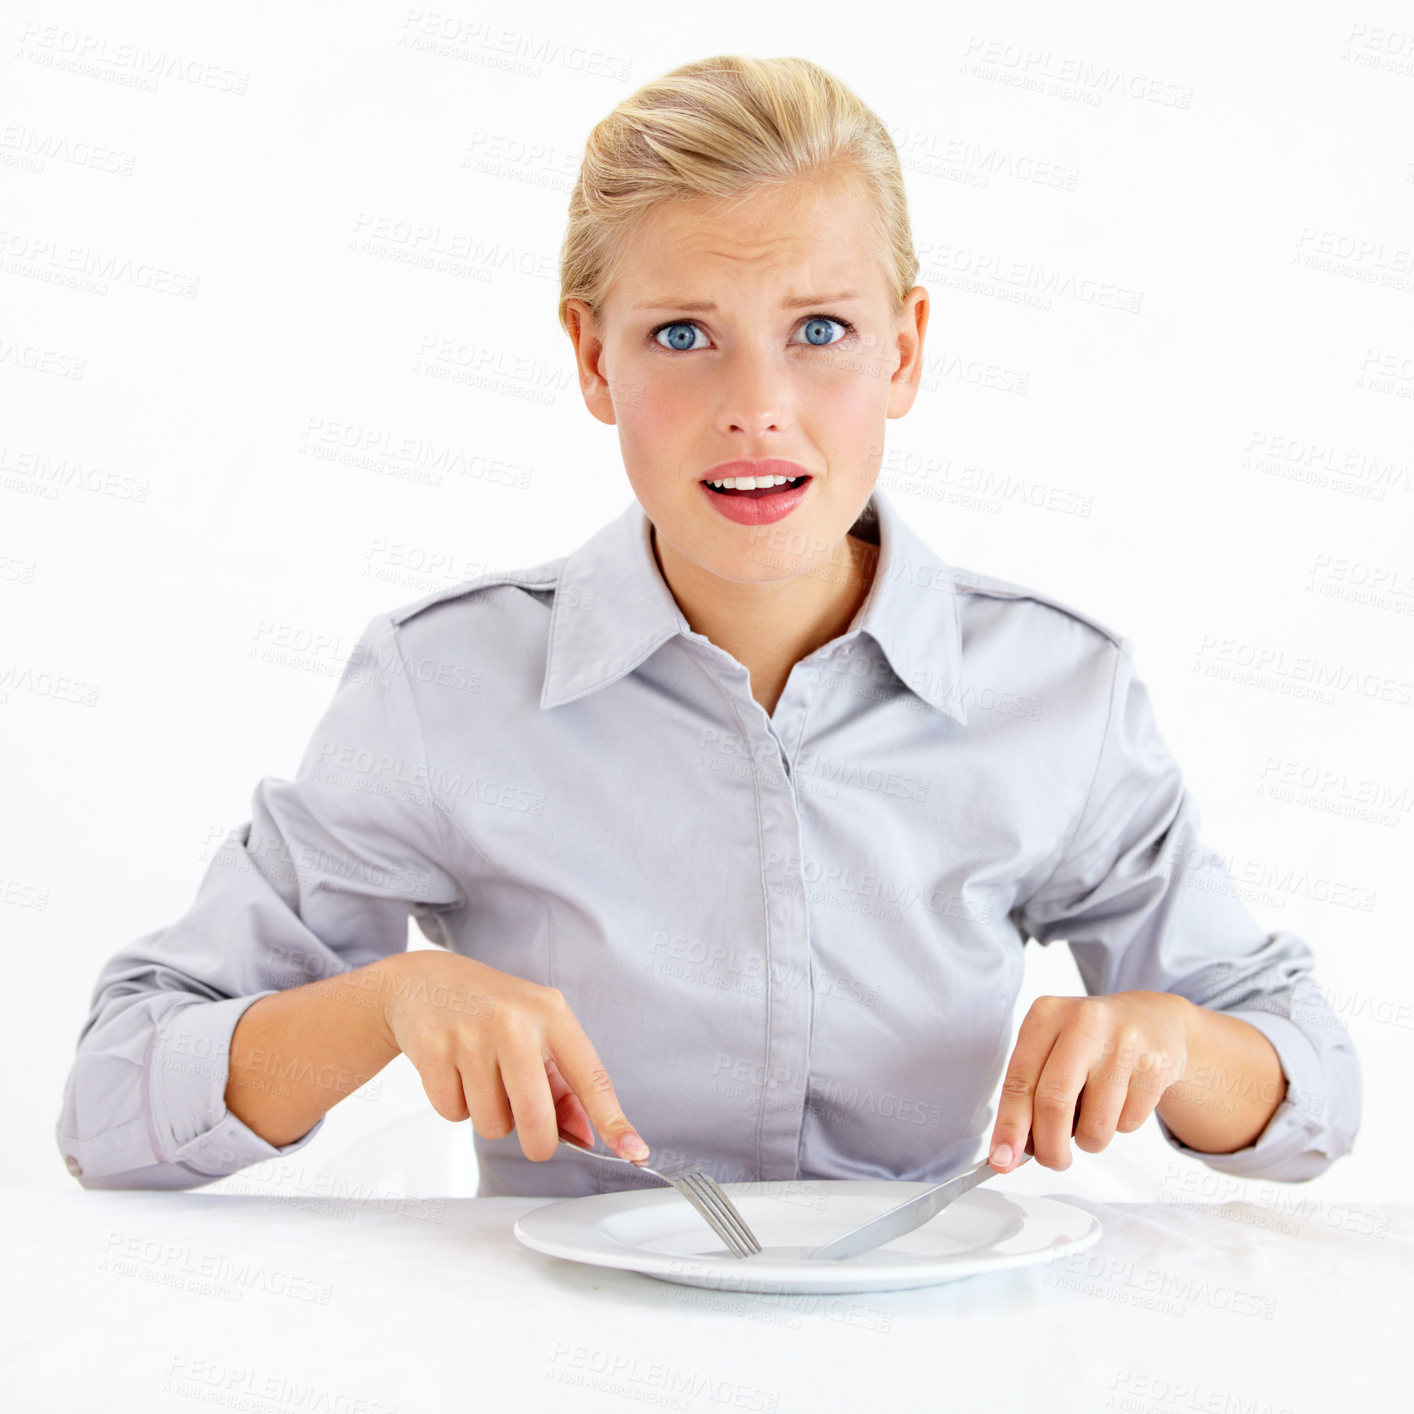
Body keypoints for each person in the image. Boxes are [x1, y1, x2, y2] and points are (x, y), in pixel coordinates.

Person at [56, 55, 1360, 1198]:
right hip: (562, 1357)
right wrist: (387, 1002)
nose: (757, 405)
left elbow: (1314, 1096)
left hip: (928, 1353)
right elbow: (111, 1103)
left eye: (821, 332)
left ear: (903, 351)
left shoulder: (1058, 692)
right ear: (590, 357)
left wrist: (1172, 1041)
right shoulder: (439, 688)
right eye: (683, 333)